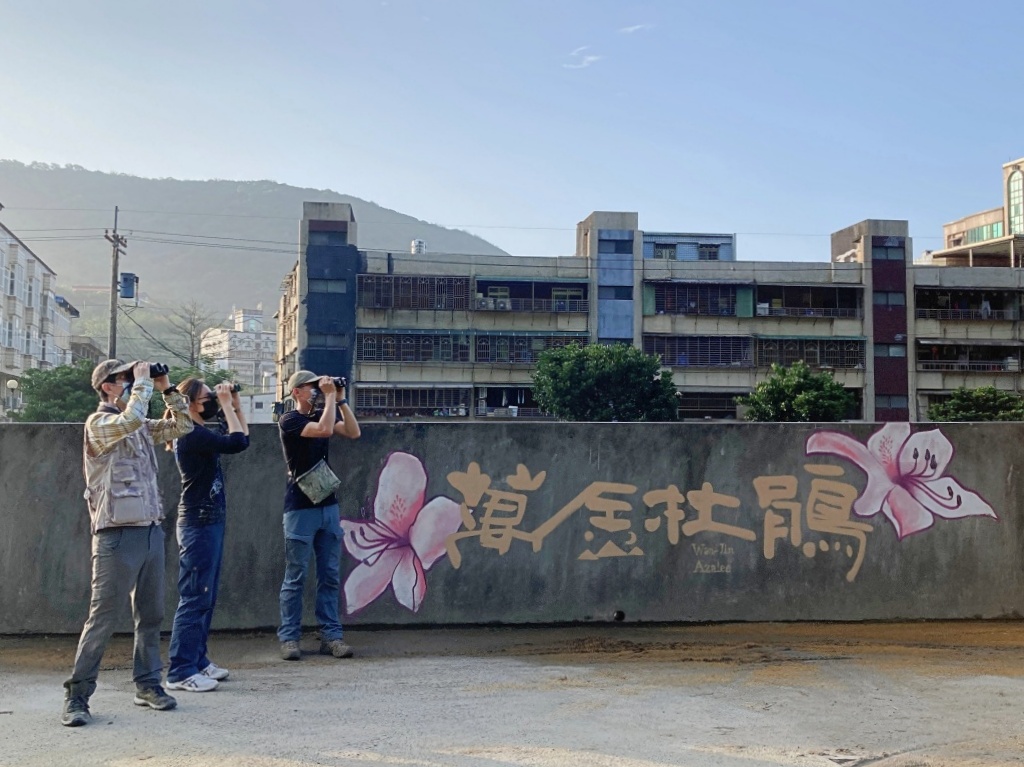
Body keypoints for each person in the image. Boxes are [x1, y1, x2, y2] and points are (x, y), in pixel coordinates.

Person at [61, 360, 194, 727]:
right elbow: (131, 420)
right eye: (122, 379)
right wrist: (141, 384)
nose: (133, 383)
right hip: (116, 535)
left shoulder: (136, 426)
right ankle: (77, 696)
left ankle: (148, 684)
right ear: (106, 386)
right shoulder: (100, 425)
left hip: (150, 530)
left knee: (150, 615)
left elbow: (181, 426)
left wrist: (168, 389)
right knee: (102, 619)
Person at [165, 380, 250, 693]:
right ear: (189, 403)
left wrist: (235, 402)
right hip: (197, 523)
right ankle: (179, 670)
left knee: (206, 596)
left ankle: (197, 660)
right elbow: (236, 443)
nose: (213, 401)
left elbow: (242, 439)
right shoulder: (189, 433)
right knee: (194, 596)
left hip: (208, 520)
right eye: (209, 398)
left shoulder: (197, 431)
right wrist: (227, 404)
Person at [277, 371, 361, 661]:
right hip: (299, 507)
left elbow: (353, 432)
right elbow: (324, 430)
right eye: (310, 388)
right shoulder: (290, 420)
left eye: (317, 387)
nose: (315, 391)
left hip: (327, 505)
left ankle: (332, 636)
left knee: (330, 575)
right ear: (296, 392)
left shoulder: (321, 412)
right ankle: (289, 638)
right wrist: (328, 399)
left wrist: (341, 400)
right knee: (295, 576)